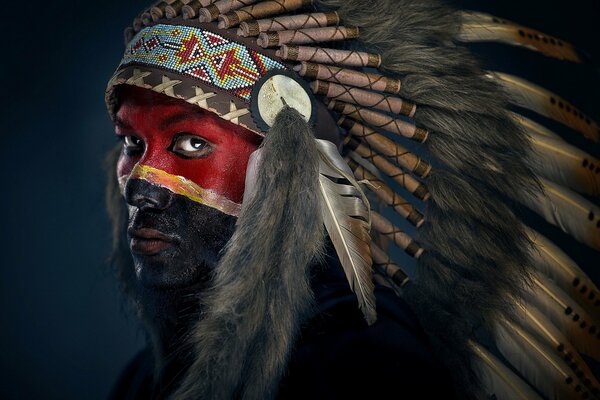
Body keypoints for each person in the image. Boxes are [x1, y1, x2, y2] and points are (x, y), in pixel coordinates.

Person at [105, 0, 600, 399]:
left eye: (191, 143)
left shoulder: (365, 359)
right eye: (132, 144)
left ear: (284, 169)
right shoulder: (145, 380)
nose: (140, 184)